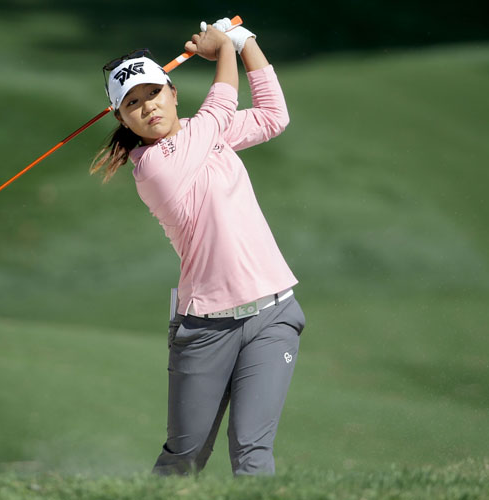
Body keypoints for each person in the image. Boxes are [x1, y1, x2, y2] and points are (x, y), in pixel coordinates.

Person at [90, 18, 306, 477]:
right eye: (132, 102)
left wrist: (247, 43)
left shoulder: (203, 133)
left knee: (252, 452)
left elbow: (272, 116)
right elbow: (220, 105)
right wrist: (223, 48)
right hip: (206, 327)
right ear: (120, 117)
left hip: (273, 313)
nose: (147, 107)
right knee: (184, 458)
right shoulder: (150, 168)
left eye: (153, 93)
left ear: (171, 91)